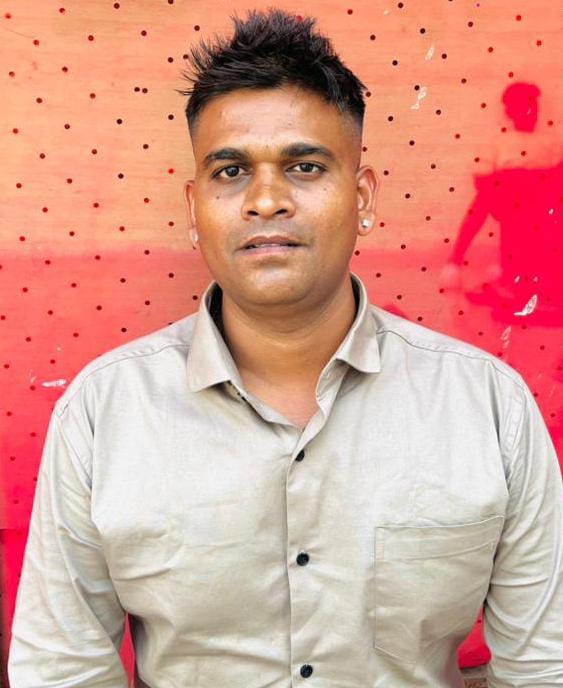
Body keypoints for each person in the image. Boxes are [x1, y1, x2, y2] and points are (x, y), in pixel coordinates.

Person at [8, 7, 563, 687]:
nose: (265, 200)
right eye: (230, 172)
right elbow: (62, 669)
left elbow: (545, 665)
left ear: (362, 196)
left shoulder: (487, 406)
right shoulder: (104, 411)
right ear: (194, 208)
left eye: (303, 166)